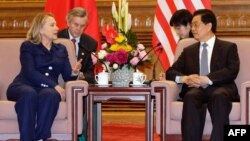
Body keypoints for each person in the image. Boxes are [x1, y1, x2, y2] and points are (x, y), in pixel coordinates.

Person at [165, 9, 240, 141]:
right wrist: (185, 78)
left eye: (196, 24)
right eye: (192, 25)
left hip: (220, 87)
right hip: (196, 89)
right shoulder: (188, 50)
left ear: (209, 25)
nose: (192, 28)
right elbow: (170, 72)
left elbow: (232, 70)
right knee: (191, 96)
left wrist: (208, 79)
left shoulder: (228, 47)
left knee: (219, 96)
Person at [6, 13, 82, 141]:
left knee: (51, 95)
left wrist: (74, 73)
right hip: (23, 85)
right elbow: (30, 72)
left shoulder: (61, 49)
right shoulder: (28, 46)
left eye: (56, 25)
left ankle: (41, 138)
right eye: (52, 25)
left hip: (46, 90)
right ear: (40, 29)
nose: (57, 28)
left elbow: (67, 76)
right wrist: (54, 85)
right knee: (29, 94)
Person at [58, 7, 98, 84]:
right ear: (68, 22)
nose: (78, 28)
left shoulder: (90, 43)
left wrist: (80, 75)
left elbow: (90, 75)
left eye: (82, 26)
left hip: (79, 84)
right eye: (76, 24)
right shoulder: (57, 38)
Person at [159, 9, 193, 81]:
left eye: (178, 28)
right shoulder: (182, 43)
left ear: (189, 24)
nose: (177, 32)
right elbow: (174, 70)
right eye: (175, 29)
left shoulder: (200, 42)